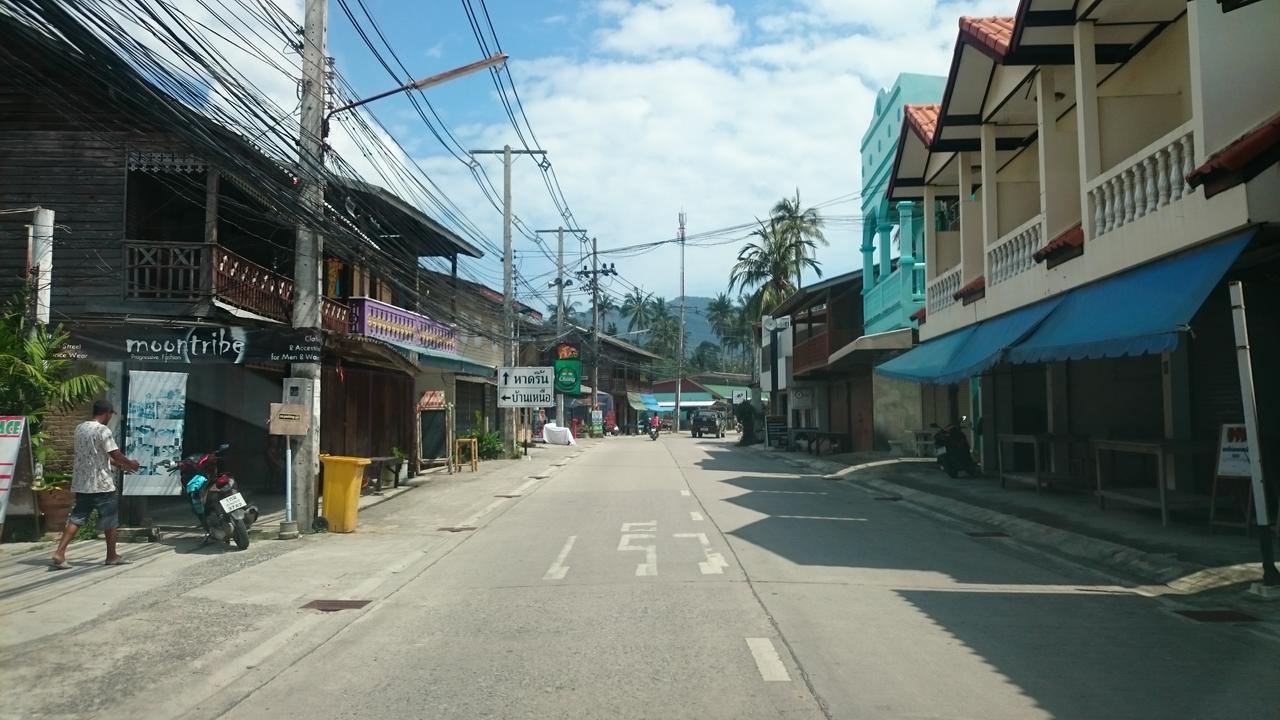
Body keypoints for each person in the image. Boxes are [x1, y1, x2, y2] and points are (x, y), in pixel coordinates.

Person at [50, 400, 141, 569]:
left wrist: (118, 465)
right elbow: (115, 453)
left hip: (82, 483)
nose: (110, 418)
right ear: (106, 412)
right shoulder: (102, 430)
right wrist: (130, 464)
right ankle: (112, 556)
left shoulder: (80, 428)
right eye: (110, 415)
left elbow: (96, 456)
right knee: (111, 520)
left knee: (77, 518)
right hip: (101, 484)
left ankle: (60, 552)